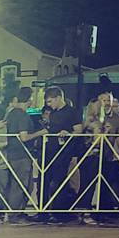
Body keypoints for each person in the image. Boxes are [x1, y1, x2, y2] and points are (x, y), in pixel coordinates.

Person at [0, 87, 45, 221]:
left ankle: (13, 212)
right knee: (22, 185)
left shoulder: (11, 113)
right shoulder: (22, 115)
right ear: (30, 99)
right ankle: (15, 214)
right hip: (21, 154)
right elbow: (24, 137)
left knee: (17, 184)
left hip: (11, 153)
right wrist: (41, 132)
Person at [79, 88, 119, 222]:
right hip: (90, 155)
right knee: (88, 183)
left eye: (108, 100)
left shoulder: (116, 118)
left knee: (106, 183)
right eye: (103, 100)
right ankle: (84, 212)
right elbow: (87, 133)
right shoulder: (91, 116)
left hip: (107, 156)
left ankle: (102, 212)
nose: (106, 103)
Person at [40, 85, 83, 220]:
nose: (49, 105)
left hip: (64, 153)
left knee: (59, 181)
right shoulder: (52, 114)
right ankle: (45, 212)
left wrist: (68, 133)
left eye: (50, 101)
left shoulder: (72, 112)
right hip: (50, 152)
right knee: (46, 180)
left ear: (58, 98)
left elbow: (79, 130)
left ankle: (60, 212)